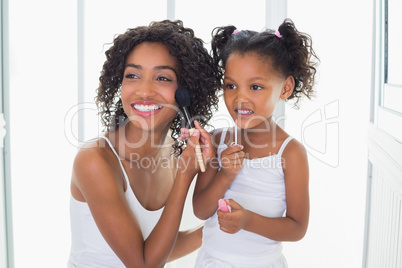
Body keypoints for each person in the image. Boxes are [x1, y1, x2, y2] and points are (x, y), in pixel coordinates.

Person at [68, 20, 221, 267]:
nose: (144, 91)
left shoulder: (175, 153)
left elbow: (157, 249)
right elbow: (142, 263)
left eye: (162, 77)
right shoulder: (95, 160)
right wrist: (185, 175)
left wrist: (221, 228)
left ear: (186, 92)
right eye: (132, 75)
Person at [190, 18, 320, 267]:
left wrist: (248, 221)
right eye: (231, 85)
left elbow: (297, 227)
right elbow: (200, 210)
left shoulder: (290, 153)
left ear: (285, 88)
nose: (240, 97)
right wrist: (225, 174)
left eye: (256, 86)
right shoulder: (218, 140)